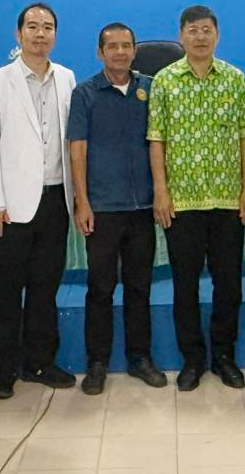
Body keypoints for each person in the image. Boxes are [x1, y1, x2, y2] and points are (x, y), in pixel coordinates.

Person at [149, 4, 245, 391]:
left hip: (229, 201)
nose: (200, 36)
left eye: (207, 29)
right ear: (181, 36)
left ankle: (224, 357)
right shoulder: (164, 81)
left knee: (228, 284)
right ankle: (192, 360)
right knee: (185, 285)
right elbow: (156, 140)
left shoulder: (234, 79)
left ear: (217, 35)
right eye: (193, 30)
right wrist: (161, 192)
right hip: (181, 203)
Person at [0, 2, 77, 400]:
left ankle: (40, 362)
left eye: (47, 27)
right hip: (11, 208)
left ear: (55, 34)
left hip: (56, 200)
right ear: (18, 35)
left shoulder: (67, 78)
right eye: (32, 27)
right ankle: (3, 371)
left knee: (44, 288)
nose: (40, 34)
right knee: (7, 291)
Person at [67, 23, 167, 395]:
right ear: (100, 52)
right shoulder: (85, 94)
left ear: (134, 51)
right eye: (113, 46)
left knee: (140, 287)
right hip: (103, 208)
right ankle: (97, 363)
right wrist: (82, 201)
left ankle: (140, 358)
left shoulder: (150, 90)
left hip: (143, 206)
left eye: (127, 46)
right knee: (100, 288)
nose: (121, 52)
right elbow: (77, 149)